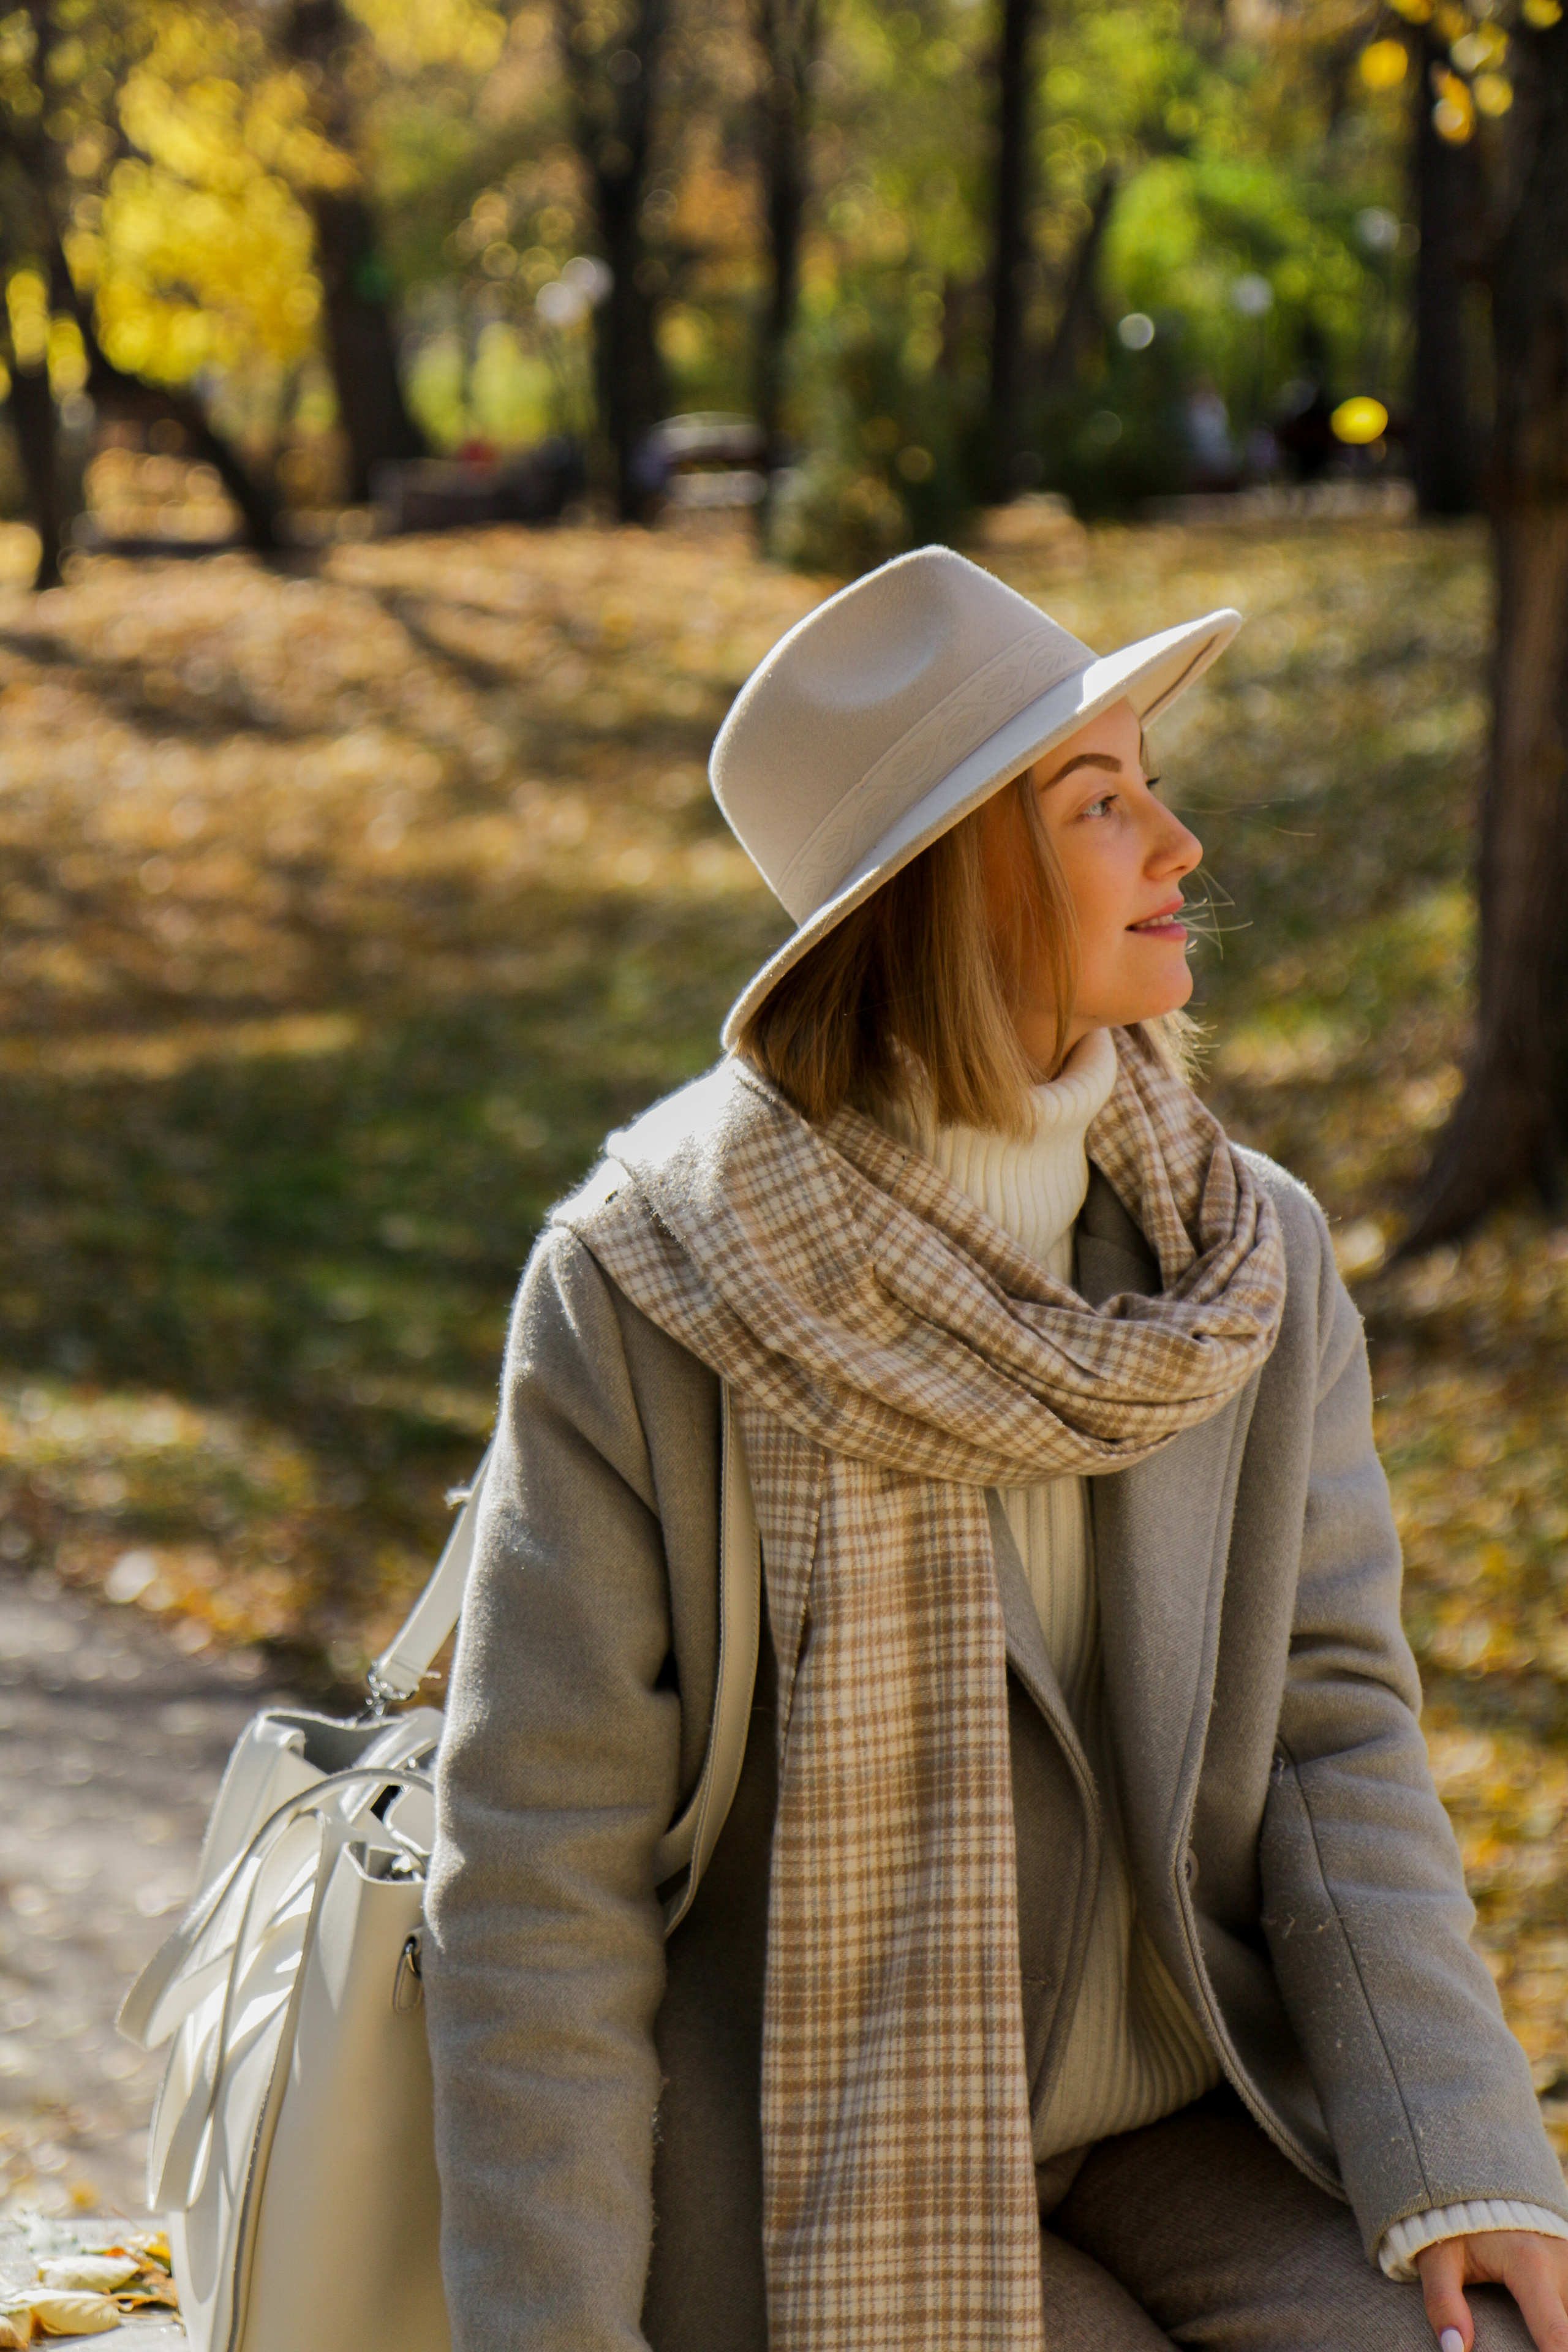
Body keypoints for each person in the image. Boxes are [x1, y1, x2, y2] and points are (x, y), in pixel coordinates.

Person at [425, 548, 1568, 2352]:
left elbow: (1333, 1730)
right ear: (949, 885)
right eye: (1100, 803)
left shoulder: (1239, 1262)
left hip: (1191, 2108)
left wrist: (1466, 2157)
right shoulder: (643, 1289)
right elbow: (541, 1874)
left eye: (1150, 785)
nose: (1180, 846)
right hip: (824, 2159)